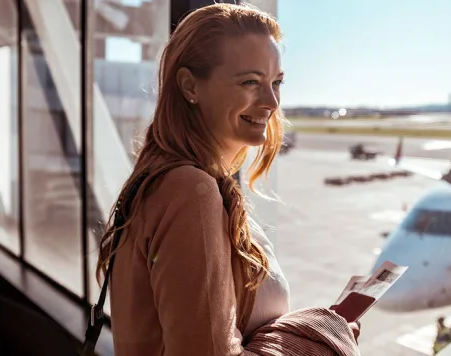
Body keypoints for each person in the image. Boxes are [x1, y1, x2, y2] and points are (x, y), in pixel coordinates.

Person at [95, 3, 360, 355]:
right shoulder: (191, 191)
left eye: (276, 82)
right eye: (250, 81)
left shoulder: (166, 179)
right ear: (190, 86)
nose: (270, 102)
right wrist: (319, 335)